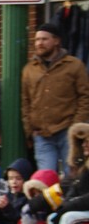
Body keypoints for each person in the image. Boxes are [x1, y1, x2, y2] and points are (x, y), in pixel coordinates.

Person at [21, 22, 89, 178]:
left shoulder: (74, 65)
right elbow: (25, 102)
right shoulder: (29, 69)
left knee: (73, 176)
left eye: (44, 39)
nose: (39, 43)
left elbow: (85, 97)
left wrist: (76, 126)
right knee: (45, 178)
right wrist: (29, 129)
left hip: (67, 130)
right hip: (41, 133)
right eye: (37, 40)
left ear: (56, 41)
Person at [45, 123, 89, 224]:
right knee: (53, 218)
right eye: (82, 141)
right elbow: (74, 190)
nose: (84, 144)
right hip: (84, 209)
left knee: (70, 219)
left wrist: (68, 207)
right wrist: (63, 207)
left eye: (87, 140)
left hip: (85, 210)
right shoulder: (83, 167)